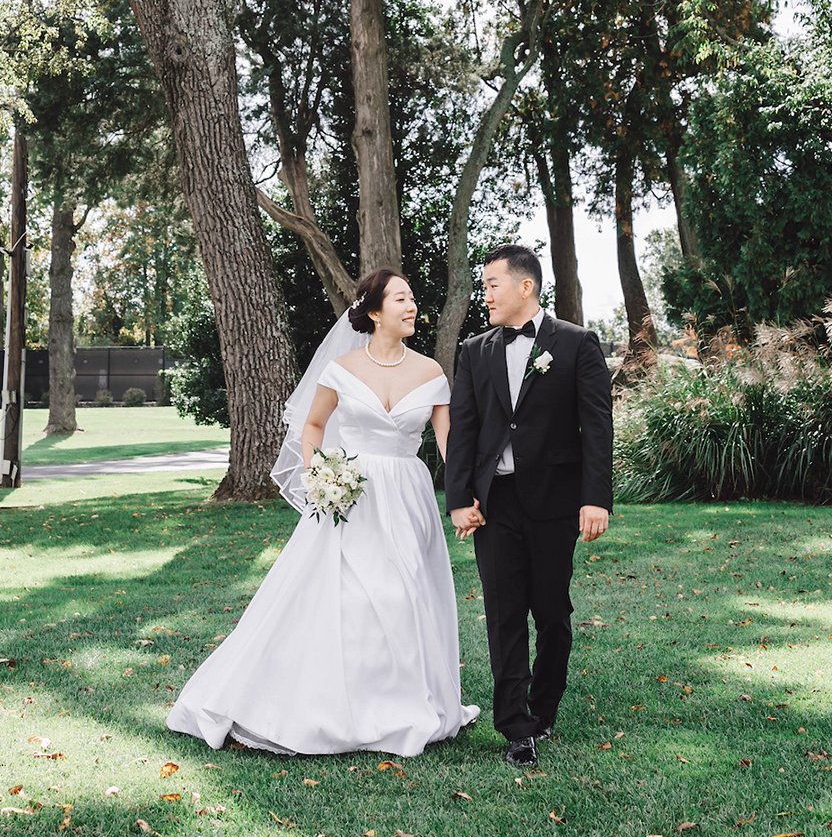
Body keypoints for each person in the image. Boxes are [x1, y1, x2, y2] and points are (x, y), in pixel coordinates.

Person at [165, 268, 480, 755]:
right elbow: (312, 427)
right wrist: (319, 475)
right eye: (401, 298)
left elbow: (448, 442)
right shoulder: (342, 370)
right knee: (348, 596)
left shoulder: (431, 373)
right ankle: (330, 706)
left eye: (412, 297)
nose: (412, 305)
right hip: (351, 496)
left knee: (403, 594)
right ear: (375, 312)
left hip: (407, 496)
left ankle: (399, 707)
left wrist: (464, 495)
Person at [445, 243, 613, 768]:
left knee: (552, 613)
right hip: (496, 504)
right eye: (484, 286)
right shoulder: (474, 351)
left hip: (554, 502)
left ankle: (544, 708)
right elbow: (463, 428)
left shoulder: (577, 343)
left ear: (526, 286)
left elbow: (597, 427)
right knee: (504, 614)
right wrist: (458, 499)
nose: (486, 295)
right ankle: (515, 726)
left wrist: (595, 498)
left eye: (492, 284)